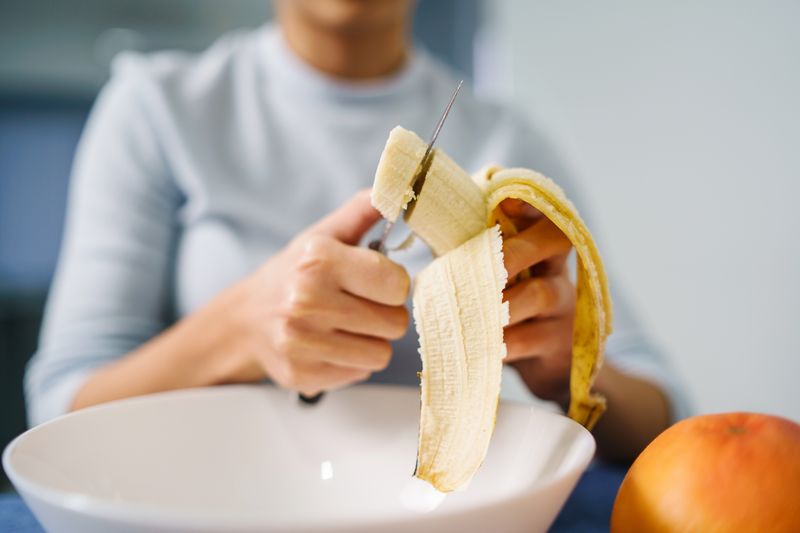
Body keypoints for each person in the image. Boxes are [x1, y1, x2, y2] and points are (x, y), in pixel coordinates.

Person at [26, 0, 688, 462]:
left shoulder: (506, 138)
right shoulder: (155, 108)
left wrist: (565, 362)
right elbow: (58, 412)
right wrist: (241, 329)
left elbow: (663, 414)